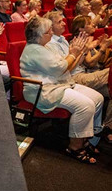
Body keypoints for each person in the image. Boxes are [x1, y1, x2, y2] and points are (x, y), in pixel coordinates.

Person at [20, 16, 103, 163]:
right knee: (85, 105)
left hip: (59, 84)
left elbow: (66, 66)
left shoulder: (46, 46)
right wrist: (73, 53)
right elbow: (60, 68)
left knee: (98, 98)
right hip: (43, 90)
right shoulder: (34, 50)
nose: (51, 33)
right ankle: (75, 147)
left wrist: (77, 52)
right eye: (48, 31)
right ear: (39, 35)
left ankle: (89, 140)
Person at [45, 11, 112, 143]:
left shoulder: (63, 40)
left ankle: (107, 129)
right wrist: (83, 51)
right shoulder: (50, 44)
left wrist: (82, 52)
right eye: (59, 22)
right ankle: (79, 144)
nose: (64, 23)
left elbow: (81, 62)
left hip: (75, 75)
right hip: (70, 78)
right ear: (50, 27)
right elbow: (64, 68)